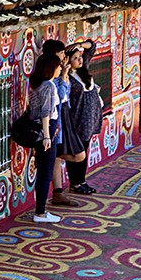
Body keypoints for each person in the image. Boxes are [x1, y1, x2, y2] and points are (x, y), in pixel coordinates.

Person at [28, 50, 64, 223]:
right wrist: (47, 136)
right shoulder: (49, 86)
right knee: (45, 173)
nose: (60, 68)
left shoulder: (39, 84)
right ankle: (40, 213)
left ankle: (41, 211)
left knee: (43, 171)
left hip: (41, 131)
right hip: (46, 131)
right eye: (58, 66)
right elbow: (45, 113)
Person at [51, 43, 86, 206]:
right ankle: (51, 156)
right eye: (61, 53)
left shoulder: (61, 71)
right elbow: (59, 96)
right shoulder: (51, 74)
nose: (64, 57)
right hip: (57, 118)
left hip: (65, 115)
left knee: (58, 157)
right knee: (78, 155)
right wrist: (64, 75)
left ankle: (58, 193)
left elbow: (66, 95)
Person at [66, 40, 103, 194]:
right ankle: (74, 183)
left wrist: (79, 45)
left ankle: (81, 181)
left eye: (80, 57)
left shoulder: (84, 69)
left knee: (84, 150)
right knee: (76, 152)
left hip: (91, 118)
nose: (79, 60)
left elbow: (92, 46)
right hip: (78, 120)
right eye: (75, 58)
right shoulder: (68, 78)